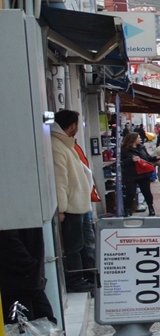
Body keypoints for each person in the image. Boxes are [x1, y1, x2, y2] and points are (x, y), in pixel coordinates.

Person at [50, 110, 97, 293]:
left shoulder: (66, 145)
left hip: (80, 204)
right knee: (74, 245)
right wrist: (61, 208)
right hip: (71, 206)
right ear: (72, 125)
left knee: (85, 242)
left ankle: (88, 274)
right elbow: (60, 181)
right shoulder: (58, 146)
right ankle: (75, 279)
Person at [0, 228, 57, 324]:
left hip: (30, 278)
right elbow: (7, 240)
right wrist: (30, 266)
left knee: (47, 324)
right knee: (22, 329)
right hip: (15, 281)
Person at [120, 132, 158, 216]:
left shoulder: (142, 147)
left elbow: (147, 158)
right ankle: (127, 209)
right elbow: (121, 162)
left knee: (147, 192)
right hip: (131, 175)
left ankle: (151, 208)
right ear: (133, 139)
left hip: (143, 174)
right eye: (139, 137)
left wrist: (155, 158)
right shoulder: (124, 149)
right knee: (131, 193)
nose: (140, 139)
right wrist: (131, 160)